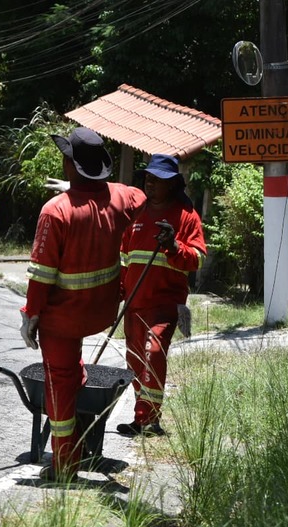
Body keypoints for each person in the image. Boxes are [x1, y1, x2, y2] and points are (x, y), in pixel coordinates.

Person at [19, 127, 146, 483]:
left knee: (58, 384)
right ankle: (79, 427)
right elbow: (142, 199)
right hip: (102, 311)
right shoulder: (121, 197)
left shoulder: (55, 212)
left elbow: (41, 276)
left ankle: (65, 464)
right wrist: (85, 193)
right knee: (71, 372)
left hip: (62, 319)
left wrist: (30, 316)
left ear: (70, 164)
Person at [117, 154, 207, 437]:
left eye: (157, 179)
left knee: (153, 353)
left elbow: (197, 260)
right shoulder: (137, 214)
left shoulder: (186, 216)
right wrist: (117, 294)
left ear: (172, 184)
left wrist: (174, 245)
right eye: (148, 178)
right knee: (135, 361)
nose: (150, 183)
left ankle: (149, 420)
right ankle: (141, 416)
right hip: (134, 305)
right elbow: (123, 259)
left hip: (165, 305)